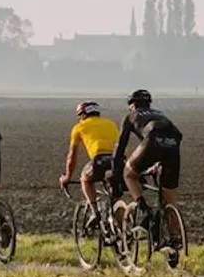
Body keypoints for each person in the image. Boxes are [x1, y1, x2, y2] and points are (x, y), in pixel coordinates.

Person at [114, 90, 184, 250]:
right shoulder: (159, 114)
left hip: (153, 136)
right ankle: (175, 239)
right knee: (169, 199)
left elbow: (120, 147)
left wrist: (116, 169)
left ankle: (143, 208)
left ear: (132, 104)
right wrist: (155, 164)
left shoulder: (131, 116)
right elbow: (162, 144)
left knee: (129, 173)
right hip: (174, 141)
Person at [58, 100, 122, 213]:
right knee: (115, 199)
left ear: (83, 114)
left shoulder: (79, 127)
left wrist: (67, 177)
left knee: (85, 178)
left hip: (100, 160)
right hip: (120, 160)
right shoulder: (110, 123)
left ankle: (94, 211)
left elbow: (72, 156)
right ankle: (122, 227)